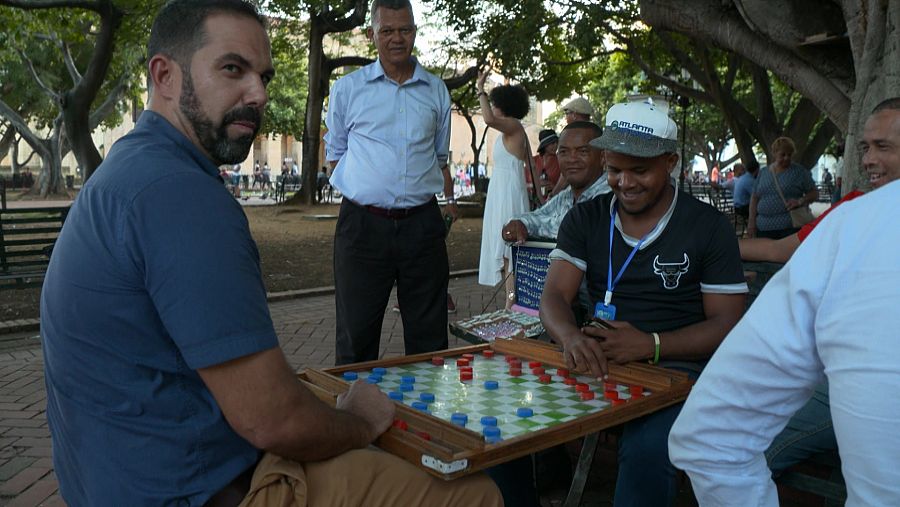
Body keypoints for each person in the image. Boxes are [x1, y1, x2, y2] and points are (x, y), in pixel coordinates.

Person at [39, 1, 501, 505]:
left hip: (120, 473)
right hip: (198, 486)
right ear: (164, 75)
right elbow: (273, 421)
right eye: (233, 69)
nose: (257, 94)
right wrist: (360, 421)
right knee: (475, 493)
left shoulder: (132, 167)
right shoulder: (181, 195)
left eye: (263, 75)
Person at [539, 98, 747, 507]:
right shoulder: (587, 218)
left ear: (670, 162)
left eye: (640, 171)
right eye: (615, 170)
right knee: (509, 420)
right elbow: (554, 295)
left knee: (647, 449)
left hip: (677, 370)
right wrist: (569, 337)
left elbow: (727, 325)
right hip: (596, 359)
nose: (625, 183)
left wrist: (650, 344)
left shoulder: (707, 227)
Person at [668, 175, 900, 504]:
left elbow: (712, 438)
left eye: (884, 146)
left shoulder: (857, 220)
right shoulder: (854, 215)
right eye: (866, 146)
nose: (869, 159)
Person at [324, 0, 458, 364]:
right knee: (356, 335)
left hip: (422, 227)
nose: (396, 38)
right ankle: (354, 417)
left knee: (430, 338)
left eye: (404, 29)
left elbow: (439, 156)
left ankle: (425, 418)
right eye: (387, 30)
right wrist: (367, 189)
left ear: (415, 31)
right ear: (372, 34)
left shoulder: (435, 91)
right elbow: (335, 152)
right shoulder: (347, 90)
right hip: (362, 228)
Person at [475, 70, 530, 309]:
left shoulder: (513, 126)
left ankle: (511, 303)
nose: (492, 108)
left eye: (495, 103)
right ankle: (510, 301)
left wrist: (480, 89)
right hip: (503, 190)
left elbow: (487, 119)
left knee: (509, 250)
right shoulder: (510, 130)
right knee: (507, 252)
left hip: (508, 192)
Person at [747, 137, 818, 239]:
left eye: (789, 155)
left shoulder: (799, 172)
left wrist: (800, 201)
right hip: (763, 228)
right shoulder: (764, 172)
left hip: (789, 227)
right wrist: (751, 222)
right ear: (774, 153)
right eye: (783, 154)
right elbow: (755, 197)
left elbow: (814, 193)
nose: (786, 158)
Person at [528, 129, 559, 200]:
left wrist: (554, 187)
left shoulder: (560, 161)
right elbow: (522, 184)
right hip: (533, 202)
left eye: (557, 143)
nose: (556, 146)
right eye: (552, 143)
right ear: (544, 145)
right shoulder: (533, 161)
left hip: (553, 201)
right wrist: (535, 185)